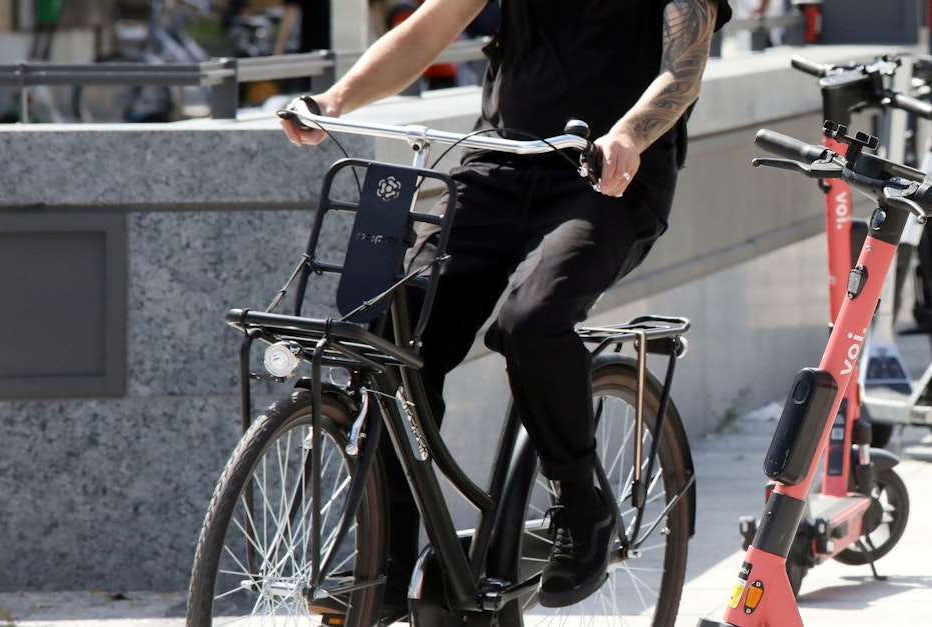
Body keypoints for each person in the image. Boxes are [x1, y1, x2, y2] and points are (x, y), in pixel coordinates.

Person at [279, 0, 730, 609]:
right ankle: (386, 564)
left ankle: (583, 507)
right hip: (497, 165)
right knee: (395, 330)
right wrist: (335, 100)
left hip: (604, 179)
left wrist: (629, 134)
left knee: (532, 322)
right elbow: (428, 30)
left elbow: (684, 68)